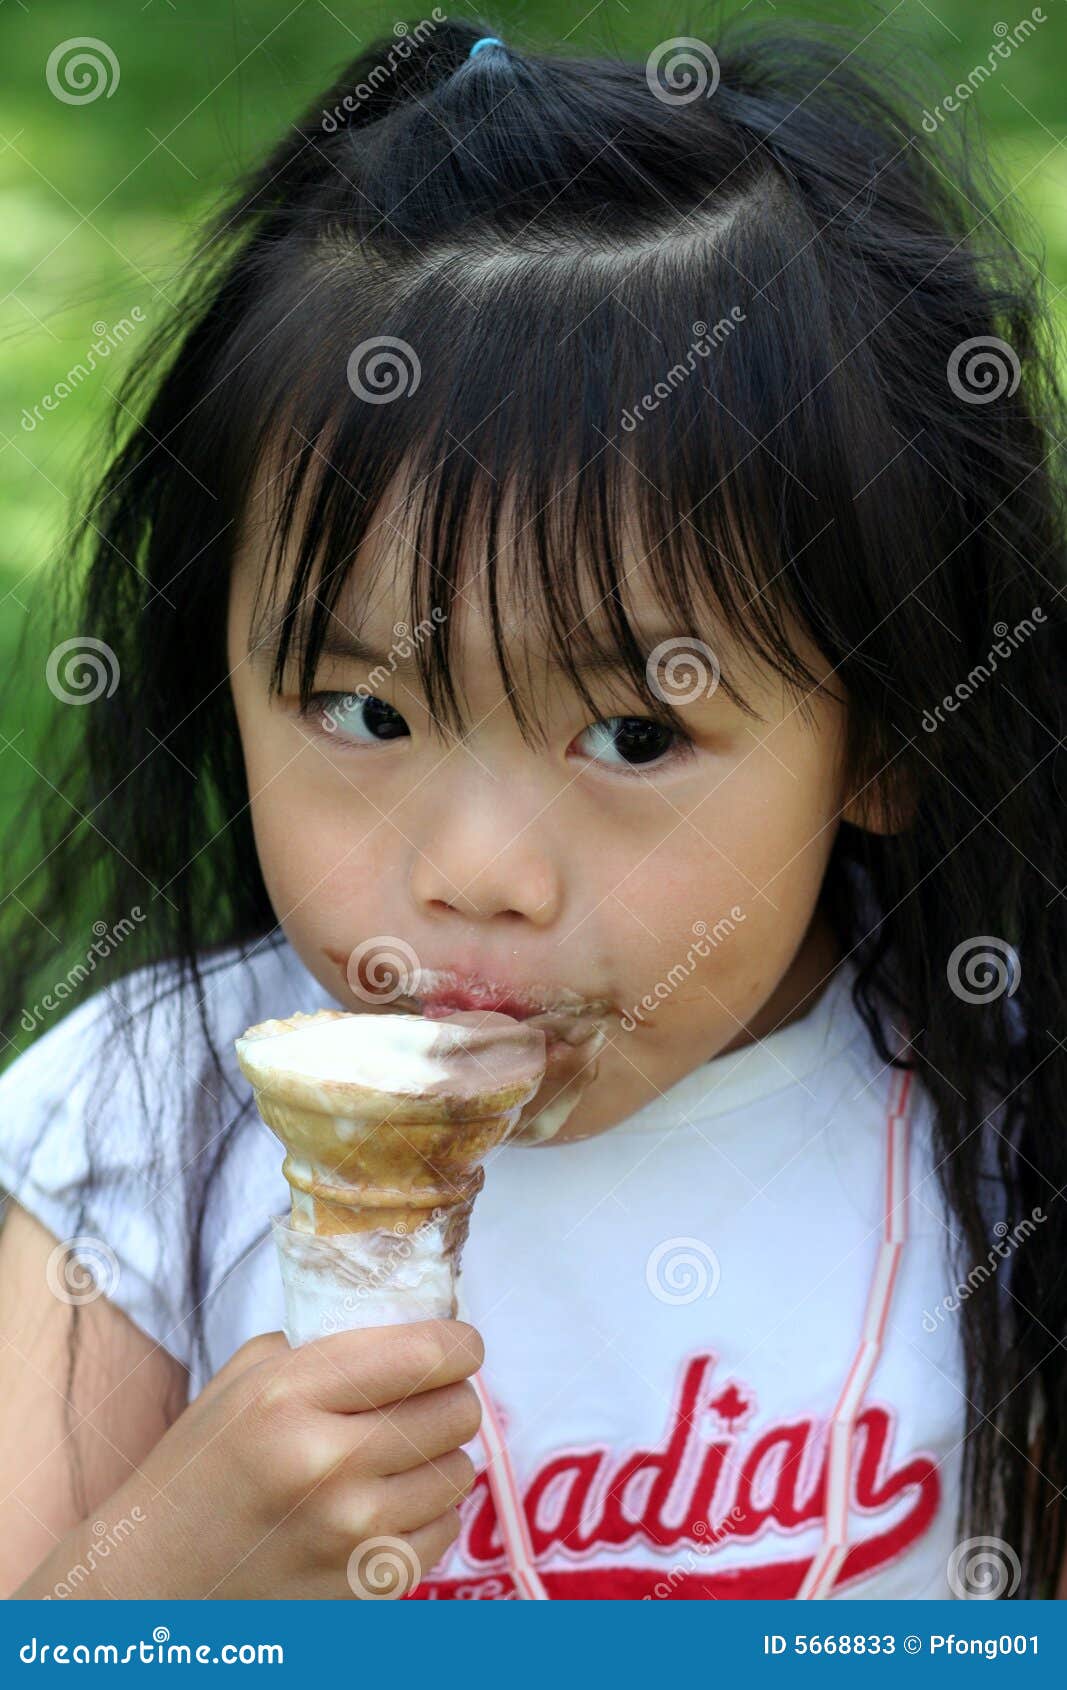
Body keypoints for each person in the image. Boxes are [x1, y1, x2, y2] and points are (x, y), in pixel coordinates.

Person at [0, 16, 1064, 1601]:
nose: (477, 872)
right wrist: (157, 1588)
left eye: (634, 732)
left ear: (888, 730)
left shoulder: (1008, 1134)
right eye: (364, 711)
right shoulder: (137, 1143)